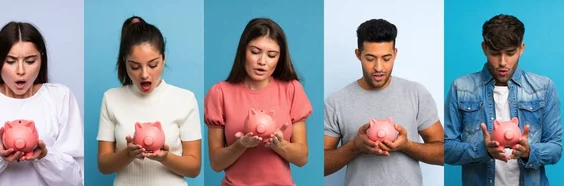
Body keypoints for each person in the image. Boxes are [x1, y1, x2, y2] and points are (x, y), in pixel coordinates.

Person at [323, 19, 444, 186]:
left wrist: (406, 145)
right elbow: (321, 166)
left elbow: (444, 154)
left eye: (386, 58)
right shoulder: (336, 101)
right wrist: (355, 146)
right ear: (358, 55)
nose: (379, 67)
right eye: (370, 58)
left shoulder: (416, 93)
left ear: (395, 53)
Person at [444, 14, 562, 186]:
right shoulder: (461, 88)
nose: (502, 62)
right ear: (484, 48)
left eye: (510, 53)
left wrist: (529, 151)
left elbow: (556, 149)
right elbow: (446, 149)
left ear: (521, 48)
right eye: (495, 53)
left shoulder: (543, 88)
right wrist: (482, 150)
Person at [0, 21, 84, 186]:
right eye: (11, 61)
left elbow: (75, 179)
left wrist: (45, 156)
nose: (20, 70)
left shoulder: (60, 96)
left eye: (30, 60)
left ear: (41, 60)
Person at [204, 17, 313, 186]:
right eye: (255, 52)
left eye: (271, 55)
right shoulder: (220, 93)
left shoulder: (292, 89)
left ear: (279, 58)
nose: (262, 62)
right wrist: (241, 145)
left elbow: (302, 158)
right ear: (243, 51)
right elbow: (216, 164)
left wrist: (278, 144)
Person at [96, 16, 202, 186]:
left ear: (164, 58)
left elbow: (194, 168)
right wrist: (128, 154)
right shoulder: (111, 98)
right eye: (135, 66)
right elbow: (104, 165)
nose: (144, 74)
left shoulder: (185, 99)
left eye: (153, 65)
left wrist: (165, 157)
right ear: (125, 62)